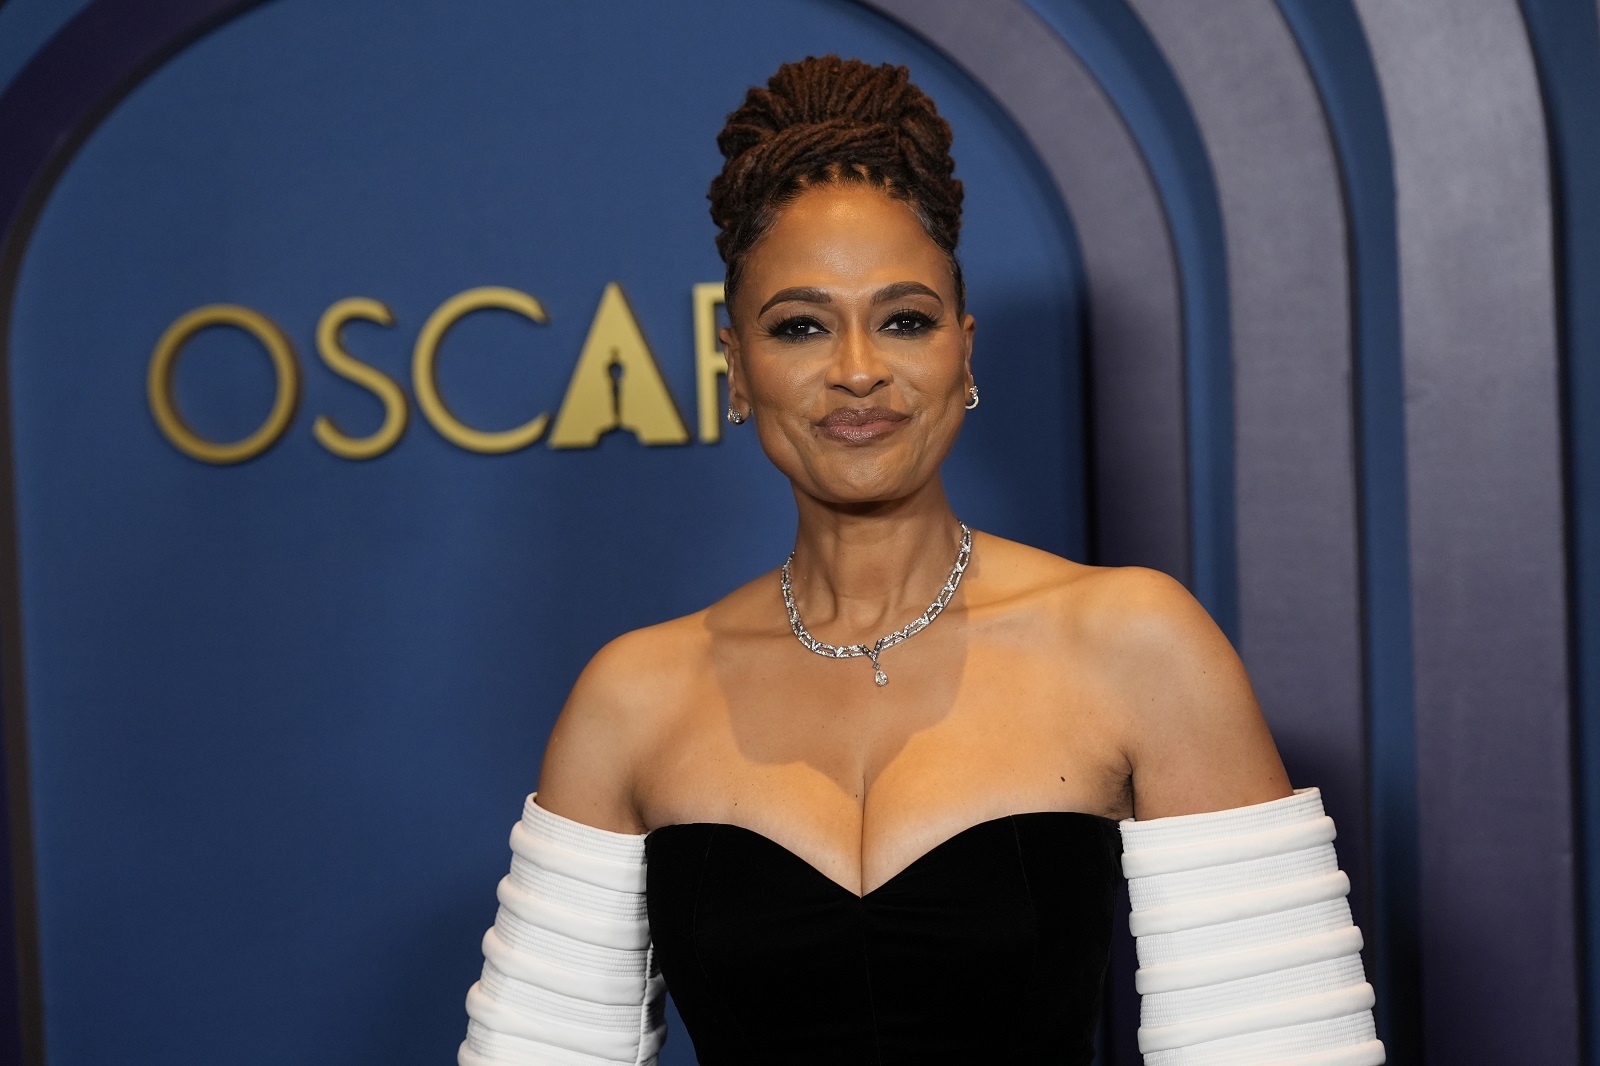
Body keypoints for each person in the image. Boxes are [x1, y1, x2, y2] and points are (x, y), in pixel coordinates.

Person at [459, 56, 1384, 1066]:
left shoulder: (1135, 644)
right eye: (801, 327)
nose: (858, 370)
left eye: (904, 320)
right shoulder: (630, 700)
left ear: (962, 350)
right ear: (737, 369)